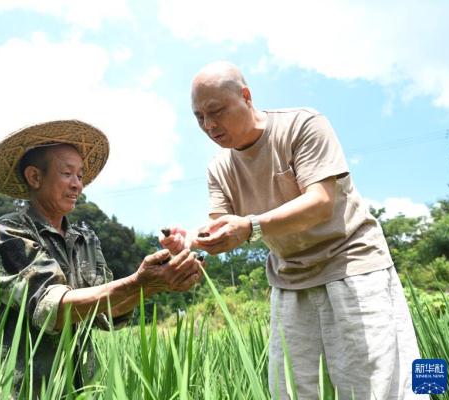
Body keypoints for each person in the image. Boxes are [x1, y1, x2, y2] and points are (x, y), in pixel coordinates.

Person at [160, 62, 425, 399]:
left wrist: (252, 226)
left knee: (374, 386)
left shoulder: (303, 125)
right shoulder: (219, 168)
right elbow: (222, 229)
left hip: (351, 268)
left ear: (246, 96)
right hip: (290, 280)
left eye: (216, 111)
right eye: (199, 117)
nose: (209, 125)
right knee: (293, 390)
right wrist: (190, 240)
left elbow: (321, 202)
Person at [0, 119, 203, 395]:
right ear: (35, 177)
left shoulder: (86, 240)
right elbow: (51, 310)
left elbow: (104, 313)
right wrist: (137, 283)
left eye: (80, 176)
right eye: (67, 173)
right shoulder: (4, 234)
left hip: (74, 388)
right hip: (12, 389)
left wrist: (153, 285)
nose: (77, 185)